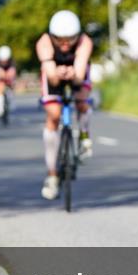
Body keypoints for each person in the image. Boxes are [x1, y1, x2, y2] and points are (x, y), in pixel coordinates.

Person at [36, 10, 94, 200]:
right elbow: (51, 77)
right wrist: (57, 73)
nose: (65, 44)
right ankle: (52, 175)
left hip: (76, 71)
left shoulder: (85, 42)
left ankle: (85, 136)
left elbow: (79, 74)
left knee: (82, 102)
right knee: (53, 115)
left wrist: (72, 75)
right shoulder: (44, 44)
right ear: (52, 37)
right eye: (60, 40)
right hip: (53, 74)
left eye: (70, 39)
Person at [0, 45, 17, 118]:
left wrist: (10, 78)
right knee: (0, 87)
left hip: (9, 75)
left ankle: (10, 100)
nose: (4, 62)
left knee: (12, 84)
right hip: (1, 76)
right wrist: (2, 76)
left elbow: (12, 72)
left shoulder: (12, 61)